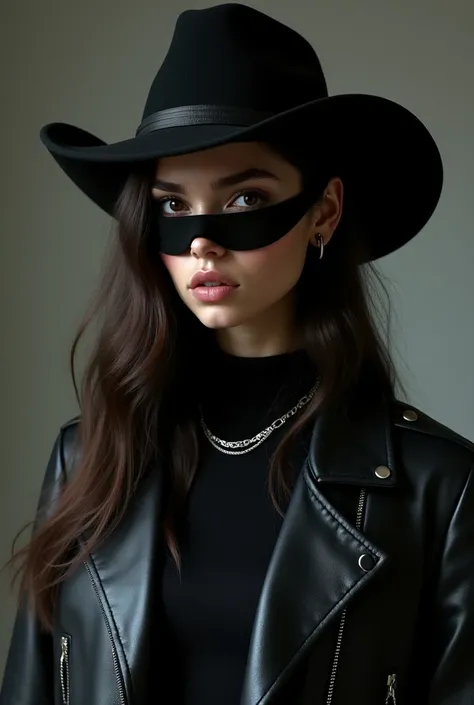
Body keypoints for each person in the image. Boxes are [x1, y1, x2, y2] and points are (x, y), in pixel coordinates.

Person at [1, 4, 473, 705]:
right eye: (172, 204)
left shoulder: (438, 485)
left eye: (246, 195)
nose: (201, 242)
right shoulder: (90, 457)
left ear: (325, 211)